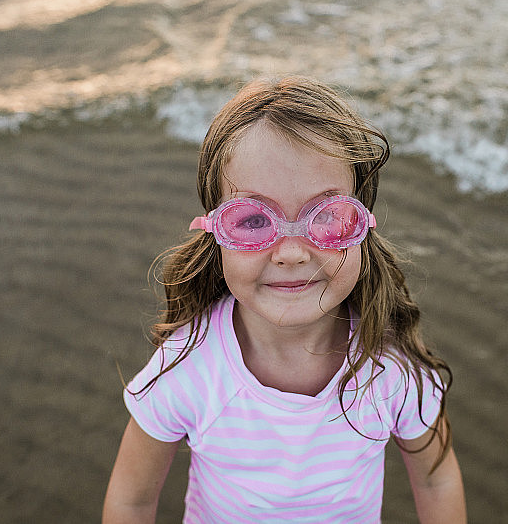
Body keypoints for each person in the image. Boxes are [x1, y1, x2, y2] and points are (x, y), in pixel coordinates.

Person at [103, 76, 466, 523]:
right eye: (254, 220)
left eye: (328, 217)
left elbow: (436, 479)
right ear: (216, 233)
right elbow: (132, 501)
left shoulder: (388, 367)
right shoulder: (191, 368)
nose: (292, 252)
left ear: (363, 227)